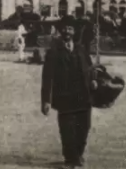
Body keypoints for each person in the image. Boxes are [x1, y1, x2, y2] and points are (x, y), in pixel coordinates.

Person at [41, 16, 97, 168]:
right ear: (61, 31)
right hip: (64, 98)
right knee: (67, 130)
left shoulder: (81, 49)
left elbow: (90, 68)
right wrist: (46, 101)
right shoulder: (53, 52)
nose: (67, 31)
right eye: (65, 29)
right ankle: (70, 159)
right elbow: (47, 78)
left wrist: (93, 79)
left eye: (70, 29)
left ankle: (78, 154)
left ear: (74, 31)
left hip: (83, 96)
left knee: (84, 128)